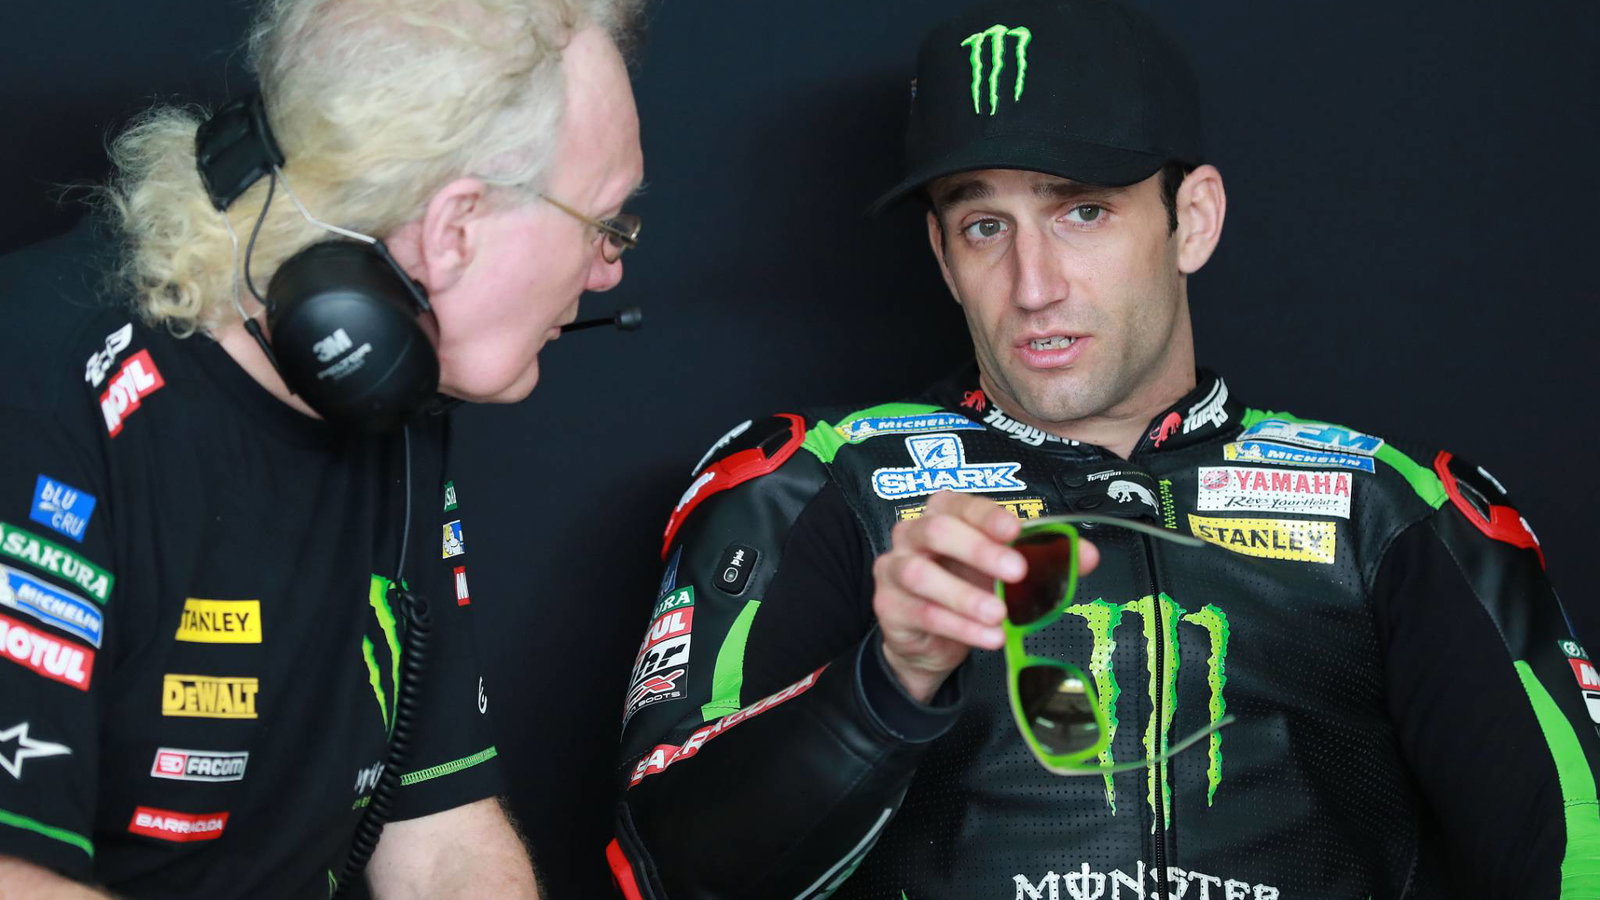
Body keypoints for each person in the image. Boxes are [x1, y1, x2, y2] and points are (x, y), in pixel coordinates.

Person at [608, 0, 1600, 897]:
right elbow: (663, 871)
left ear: (1191, 221)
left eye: (1082, 210)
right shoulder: (811, 482)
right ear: (942, 257)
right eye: (984, 225)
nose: (1033, 284)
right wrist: (888, 681)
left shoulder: (1392, 505)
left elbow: (1577, 857)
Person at [0, 0, 643, 896]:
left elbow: (443, 842)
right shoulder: (37, 394)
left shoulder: (392, 381)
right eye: (604, 223)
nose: (611, 270)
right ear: (454, 229)